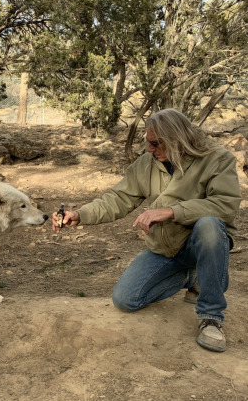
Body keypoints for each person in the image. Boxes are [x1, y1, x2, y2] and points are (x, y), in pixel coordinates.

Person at [52, 108, 241, 352]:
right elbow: (118, 198)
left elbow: (225, 205)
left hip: (200, 244)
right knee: (126, 299)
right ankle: (195, 277)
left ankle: (211, 317)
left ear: (176, 140)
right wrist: (80, 215)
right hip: (167, 249)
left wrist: (171, 211)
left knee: (210, 225)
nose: (149, 149)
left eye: (154, 143)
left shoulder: (218, 158)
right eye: (147, 142)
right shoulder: (147, 163)